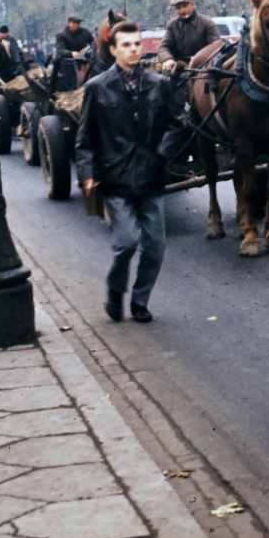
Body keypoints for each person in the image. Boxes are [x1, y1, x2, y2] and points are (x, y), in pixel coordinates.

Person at [74, 21, 185, 324]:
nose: (134, 49)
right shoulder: (97, 88)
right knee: (126, 243)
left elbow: (177, 124)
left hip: (151, 178)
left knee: (156, 246)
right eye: (126, 45)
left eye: (137, 44)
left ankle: (140, 300)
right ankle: (114, 291)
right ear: (113, 50)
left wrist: (161, 154)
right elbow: (84, 140)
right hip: (116, 179)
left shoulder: (159, 84)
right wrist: (87, 174)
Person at [157, 0, 219, 73]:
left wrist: (199, 58)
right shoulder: (172, 25)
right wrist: (167, 59)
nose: (182, 10)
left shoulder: (207, 23)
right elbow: (163, 47)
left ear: (192, 4)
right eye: (178, 8)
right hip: (179, 69)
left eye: (185, 6)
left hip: (203, 69)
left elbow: (216, 47)